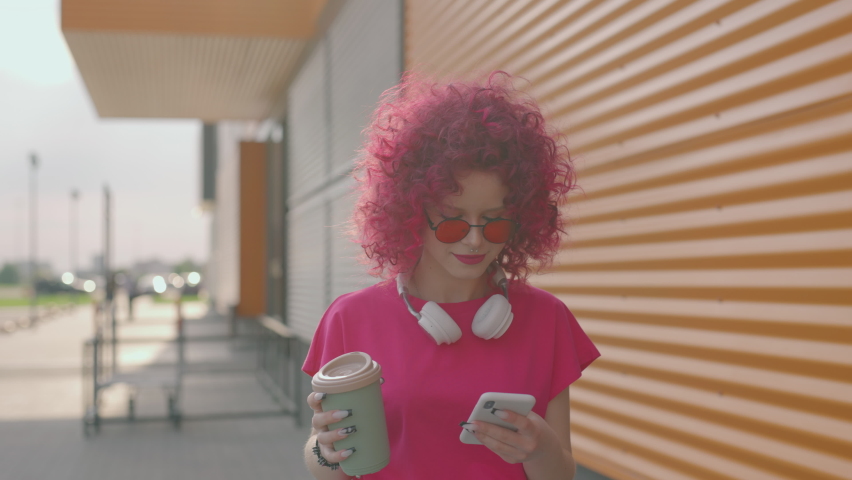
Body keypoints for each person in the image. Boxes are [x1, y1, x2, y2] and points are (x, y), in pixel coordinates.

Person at [302, 72, 600, 479]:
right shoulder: (351, 319)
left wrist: (541, 446)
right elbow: (327, 469)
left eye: (494, 222)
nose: (475, 241)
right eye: (453, 222)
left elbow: (560, 474)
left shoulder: (547, 319)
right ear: (409, 212)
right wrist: (322, 449)